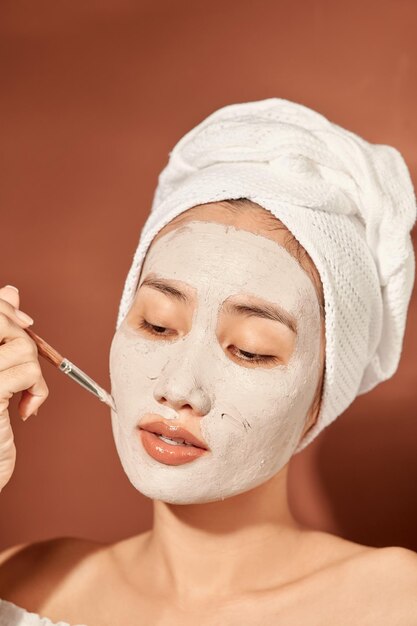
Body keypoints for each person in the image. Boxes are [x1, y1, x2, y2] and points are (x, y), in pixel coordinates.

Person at [0, 98, 416, 625]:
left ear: (321, 394)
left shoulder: (398, 604)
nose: (179, 387)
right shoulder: (22, 583)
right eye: (156, 324)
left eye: (250, 350)